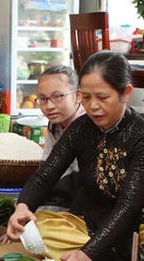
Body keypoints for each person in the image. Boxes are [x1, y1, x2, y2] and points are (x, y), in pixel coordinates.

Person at [5, 51, 144, 261]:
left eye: (102, 97)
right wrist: (22, 206)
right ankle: (99, 256)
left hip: (140, 226)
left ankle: (92, 257)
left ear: (126, 93)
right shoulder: (81, 128)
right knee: (35, 230)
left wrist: (86, 255)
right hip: (89, 222)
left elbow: (128, 208)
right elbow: (46, 174)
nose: (93, 106)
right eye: (86, 97)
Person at [35, 65, 86, 211]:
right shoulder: (55, 124)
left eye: (58, 97)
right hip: (65, 195)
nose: (49, 106)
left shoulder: (87, 126)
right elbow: (47, 170)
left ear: (78, 96)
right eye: (43, 99)